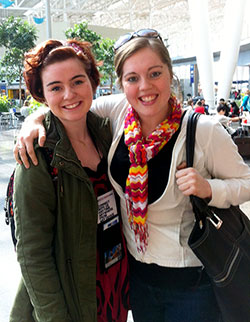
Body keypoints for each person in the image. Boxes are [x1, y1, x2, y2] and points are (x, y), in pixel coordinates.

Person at [14, 29, 250, 322]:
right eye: (132, 78)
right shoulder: (117, 113)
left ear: (170, 74)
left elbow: (246, 183)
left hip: (191, 285)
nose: (144, 87)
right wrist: (32, 121)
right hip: (135, 281)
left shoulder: (202, 131)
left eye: (154, 73)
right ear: (121, 84)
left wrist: (209, 189)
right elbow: (66, 107)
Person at [10, 39, 129, 322]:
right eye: (55, 87)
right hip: (72, 299)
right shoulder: (37, 157)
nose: (69, 94)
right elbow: (32, 255)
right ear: (42, 94)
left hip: (113, 287)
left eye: (77, 81)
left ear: (92, 82)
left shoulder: (106, 132)